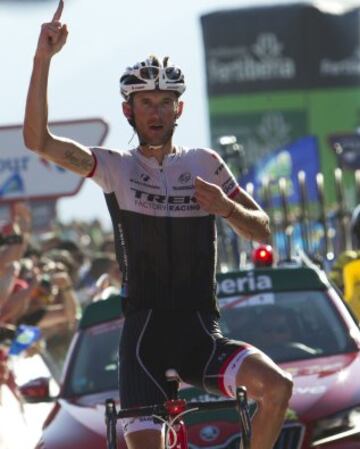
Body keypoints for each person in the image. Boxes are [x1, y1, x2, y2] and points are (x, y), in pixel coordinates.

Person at [23, 2, 293, 449]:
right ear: (128, 110)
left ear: (178, 108)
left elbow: (262, 229)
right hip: (143, 343)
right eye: (146, 102)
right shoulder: (116, 169)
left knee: (278, 387)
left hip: (201, 333)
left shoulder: (204, 163)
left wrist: (226, 208)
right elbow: (39, 141)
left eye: (165, 102)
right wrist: (42, 59)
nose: (156, 111)